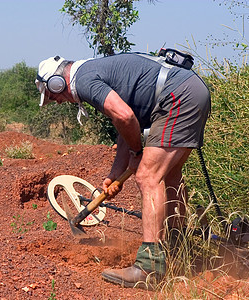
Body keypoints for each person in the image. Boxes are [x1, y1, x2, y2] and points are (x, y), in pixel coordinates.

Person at [35, 53, 210, 289]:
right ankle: (178, 251)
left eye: (52, 94)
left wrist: (137, 154)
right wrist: (115, 174)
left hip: (177, 96)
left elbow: (125, 117)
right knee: (170, 176)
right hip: (189, 90)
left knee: (148, 176)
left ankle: (149, 267)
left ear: (58, 81)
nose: (55, 101)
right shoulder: (91, 72)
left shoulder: (84, 81)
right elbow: (125, 124)